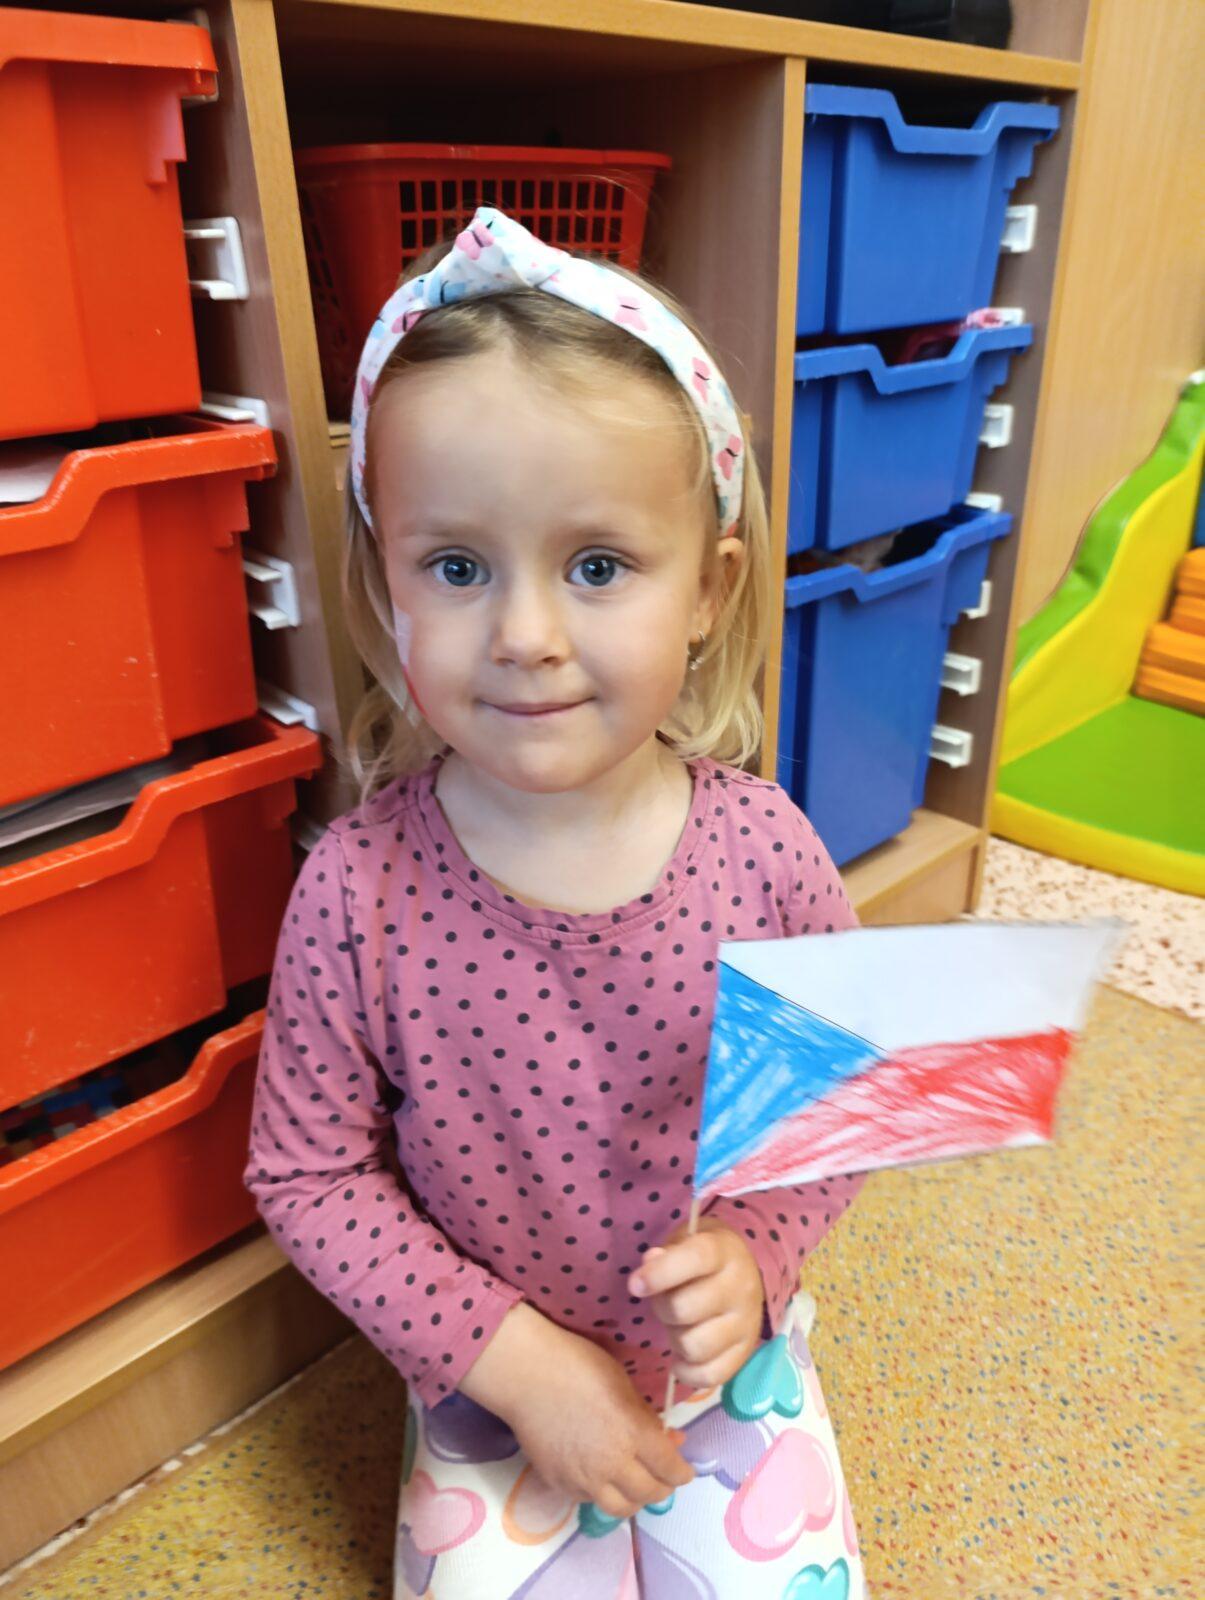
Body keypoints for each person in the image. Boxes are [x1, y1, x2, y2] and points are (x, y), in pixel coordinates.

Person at [244, 208, 868, 1599]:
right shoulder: (357, 886)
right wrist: (516, 1366)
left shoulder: (765, 852)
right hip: (487, 1367)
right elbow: (309, 1176)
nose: (524, 636)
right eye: (457, 568)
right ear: (386, 590)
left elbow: (829, 1098)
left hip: (714, 1356)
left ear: (706, 591)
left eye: (596, 566)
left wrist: (759, 1257)